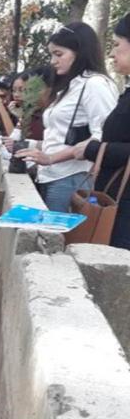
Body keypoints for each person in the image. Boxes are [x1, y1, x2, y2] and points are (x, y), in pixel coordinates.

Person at [16, 22, 118, 212]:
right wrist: (34, 149)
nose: (53, 61)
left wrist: (51, 158)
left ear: (80, 52)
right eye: (51, 55)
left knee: (57, 237)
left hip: (73, 177)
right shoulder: (70, 86)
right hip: (50, 175)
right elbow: (60, 135)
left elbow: (103, 137)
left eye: (59, 54)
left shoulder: (95, 84)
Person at [71, 13, 130, 249]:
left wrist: (94, 149)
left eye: (117, 45)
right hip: (116, 197)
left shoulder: (96, 85)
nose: (112, 53)